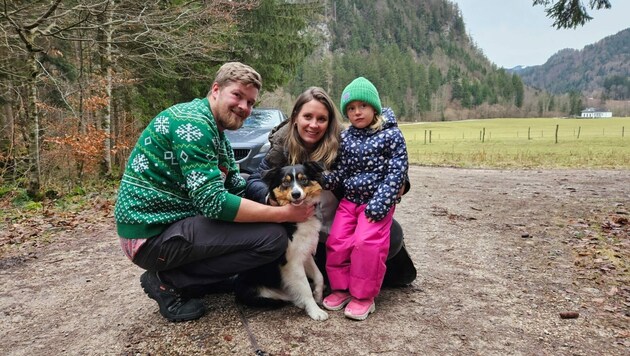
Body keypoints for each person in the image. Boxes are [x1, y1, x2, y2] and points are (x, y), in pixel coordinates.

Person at [114, 62, 315, 322]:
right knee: (272, 239)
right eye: (237, 96)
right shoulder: (193, 124)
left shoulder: (217, 133)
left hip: (173, 224)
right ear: (216, 89)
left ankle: (201, 279)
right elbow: (214, 203)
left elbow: (236, 185)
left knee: (259, 220)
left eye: (251, 102)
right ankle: (168, 280)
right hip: (149, 235)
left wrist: (271, 199)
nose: (244, 107)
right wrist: (282, 214)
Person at [245, 86, 416, 293]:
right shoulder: (283, 143)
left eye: (321, 119)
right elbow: (256, 179)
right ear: (296, 117)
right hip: (304, 229)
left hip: (342, 220)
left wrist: (401, 184)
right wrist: (272, 200)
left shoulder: (347, 140)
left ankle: (362, 273)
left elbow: (382, 165)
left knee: (393, 234)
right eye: (308, 116)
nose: (313, 125)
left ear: (330, 122)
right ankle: (329, 276)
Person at [320, 77, 409, 321]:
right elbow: (342, 170)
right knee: (337, 241)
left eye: (363, 106)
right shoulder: (346, 137)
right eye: (351, 108)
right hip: (350, 201)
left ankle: (363, 295)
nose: (357, 112)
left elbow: (397, 172)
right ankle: (341, 288)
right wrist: (327, 180)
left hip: (376, 203)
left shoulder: (391, 135)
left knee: (366, 245)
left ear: (374, 108)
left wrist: (382, 202)